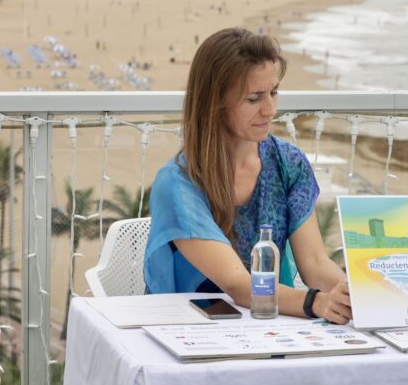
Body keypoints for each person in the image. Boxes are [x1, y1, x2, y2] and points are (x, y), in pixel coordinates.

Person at [144, 28, 351, 323]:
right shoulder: (179, 184)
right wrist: (315, 303)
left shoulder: (288, 163)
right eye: (254, 99)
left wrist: (356, 295)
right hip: (192, 330)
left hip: (271, 325)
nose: (270, 110)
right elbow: (237, 284)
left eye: (274, 92)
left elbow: (316, 263)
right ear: (215, 103)